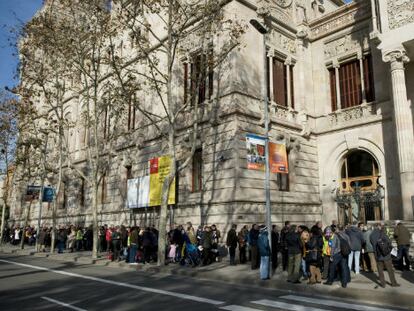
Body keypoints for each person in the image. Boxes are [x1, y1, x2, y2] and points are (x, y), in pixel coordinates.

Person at [371, 223, 400, 288]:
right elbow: (389, 242)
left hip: (378, 255)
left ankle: (383, 284)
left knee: (380, 270)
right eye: (380, 226)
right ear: (378, 227)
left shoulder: (371, 235)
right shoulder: (383, 233)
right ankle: (393, 283)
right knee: (390, 270)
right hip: (386, 255)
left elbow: (373, 244)